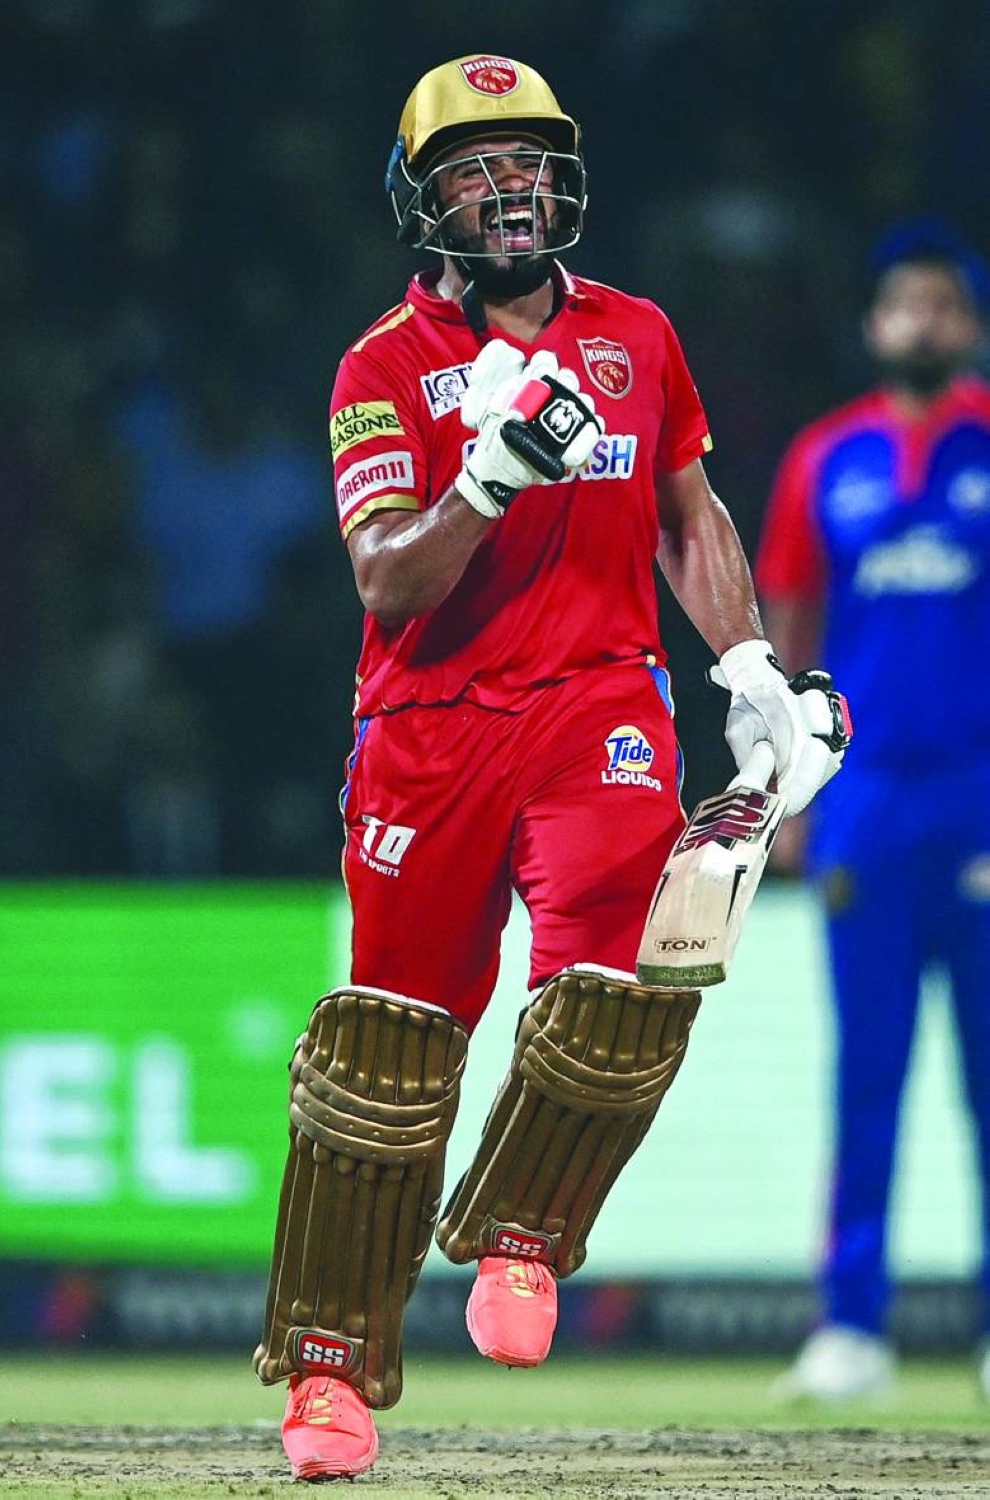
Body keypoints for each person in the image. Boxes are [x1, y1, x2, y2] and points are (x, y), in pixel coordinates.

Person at [253, 53, 850, 1481]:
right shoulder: (378, 368)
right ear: (423, 199)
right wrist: (488, 477)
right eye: (476, 166)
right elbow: (387, 581)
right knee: (388, 1055)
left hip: (600, 709)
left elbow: (688, 513)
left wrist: (748, 665)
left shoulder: (636, 333)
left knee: (624, 986)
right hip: (428, 732)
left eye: (528, 159)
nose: (510, 185)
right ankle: (329, 1374)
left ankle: (522, 1233)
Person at [757, 218, 990, 1403]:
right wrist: (786, 793)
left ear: (971, 326)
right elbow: (789, 622)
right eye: (904, 302)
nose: (921, 320)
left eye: (942, 303)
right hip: (865, 806)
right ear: (872, 324)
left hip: (980, 795)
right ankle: (850, 1326)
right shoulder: (825, 457)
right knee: (867, 1073)